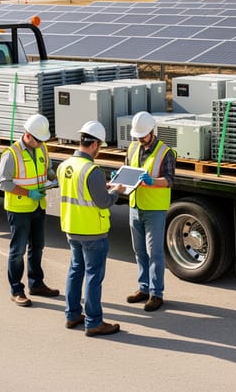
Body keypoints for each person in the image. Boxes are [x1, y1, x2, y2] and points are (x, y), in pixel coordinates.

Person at [57, 121, 125, 336]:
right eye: (100, 146)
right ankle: (94, 322)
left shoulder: (64, 165)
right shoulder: (92, 170)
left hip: (72, 227)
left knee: (75, 271)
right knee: (94, 276)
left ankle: (72, 315)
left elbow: (79, 191)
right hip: (92, 231)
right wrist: (117, 191)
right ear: (95, 144)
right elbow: (103, 202)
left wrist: (101, 187)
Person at [0, 114, 60, 307]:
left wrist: (53, 177)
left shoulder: (42, 148)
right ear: (28, 135)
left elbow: (47, 168)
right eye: (38, 140)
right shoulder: (11, 154)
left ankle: (36, 283)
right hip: (19, 209)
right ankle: (17, 290)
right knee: (18, 251)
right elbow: (3, 183)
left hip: (38, 206)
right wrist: (28, 193)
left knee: (37, 247)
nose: (41, 144)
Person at [123, 111, 176, 312]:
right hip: (135, 206)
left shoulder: (165, 152)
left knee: (155, 253)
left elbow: (170, 180)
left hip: (154, 209)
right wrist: (120, 176)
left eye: (142, 136)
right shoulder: (133, 147)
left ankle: (156, 293)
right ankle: (143, 288)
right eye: (137, 136)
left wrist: (152, 182)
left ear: (152, 131)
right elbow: (128, 170)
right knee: (139, 251)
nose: (139, 139)